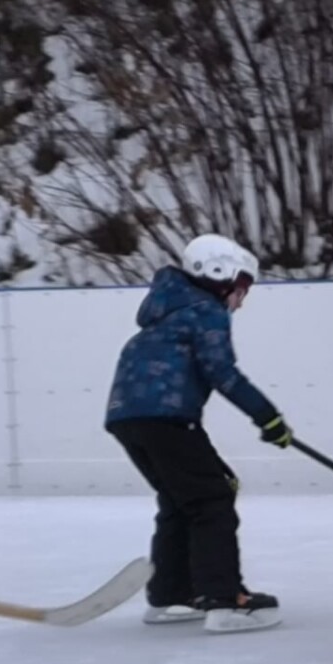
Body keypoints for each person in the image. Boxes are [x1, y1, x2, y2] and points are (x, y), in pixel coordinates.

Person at [106, 233, 293, 634]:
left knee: (180, 501)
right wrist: (268, 417)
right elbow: (222, 372)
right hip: (167, 418)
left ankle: (171, 596)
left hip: (126, 419)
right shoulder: (206, 311)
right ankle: (224, 599)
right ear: (220, 275)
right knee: (213, 498)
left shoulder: (163, 316)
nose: (241, 300)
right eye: (242, 288)